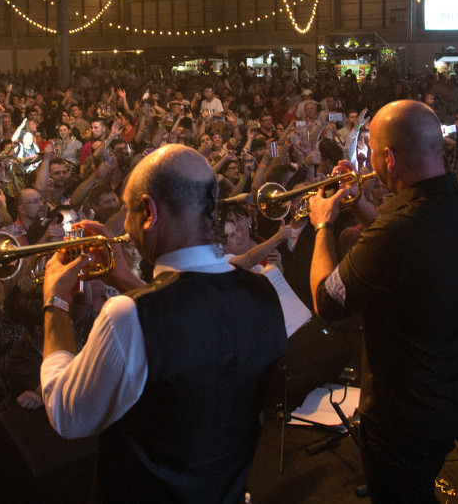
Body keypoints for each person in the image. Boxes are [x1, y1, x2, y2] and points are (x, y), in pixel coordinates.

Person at [39, 144, 286, 502]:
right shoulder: (263, 290)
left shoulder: (129, 315)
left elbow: (67, 413)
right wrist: (125, 279)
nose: (124, 225)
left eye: (127, 210)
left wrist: (55, 301)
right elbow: (190, 319)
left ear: (149, 211)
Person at [307, 100, 458, 503]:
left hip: (402, 415)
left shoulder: (397, 229)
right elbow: (407, 248)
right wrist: (358, 202)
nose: (370, 162)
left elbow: (326, 300)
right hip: (452, 391)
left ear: (388, 157)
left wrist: (323, 225)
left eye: (372, 152)